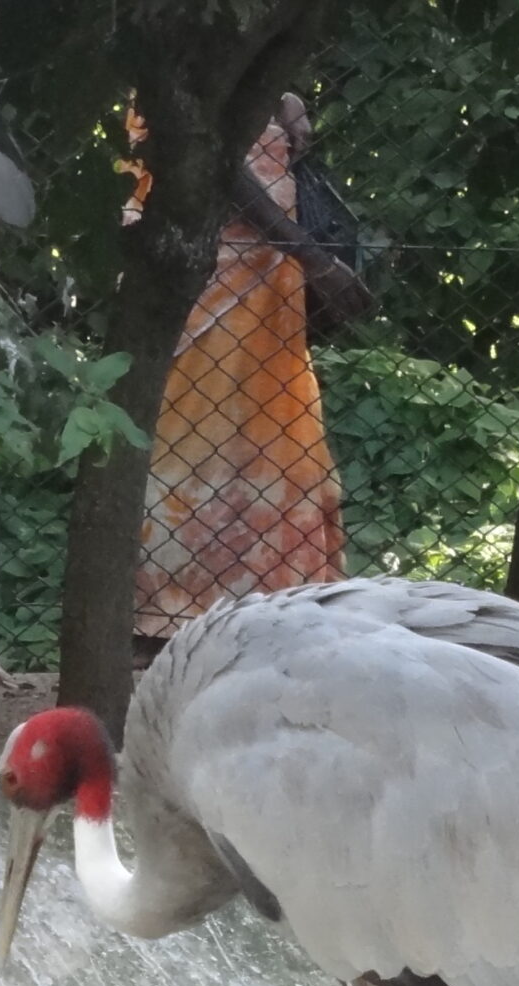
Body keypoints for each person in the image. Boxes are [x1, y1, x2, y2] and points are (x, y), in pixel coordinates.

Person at [131, 95, 370, 664]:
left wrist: (285, 100)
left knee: (274, 444)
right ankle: (163, 619)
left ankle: (276, 608)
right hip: (211, 265)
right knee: (188, 440)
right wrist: (310, 255)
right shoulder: (187, 51)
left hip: (271, 281)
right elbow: (214, 154)